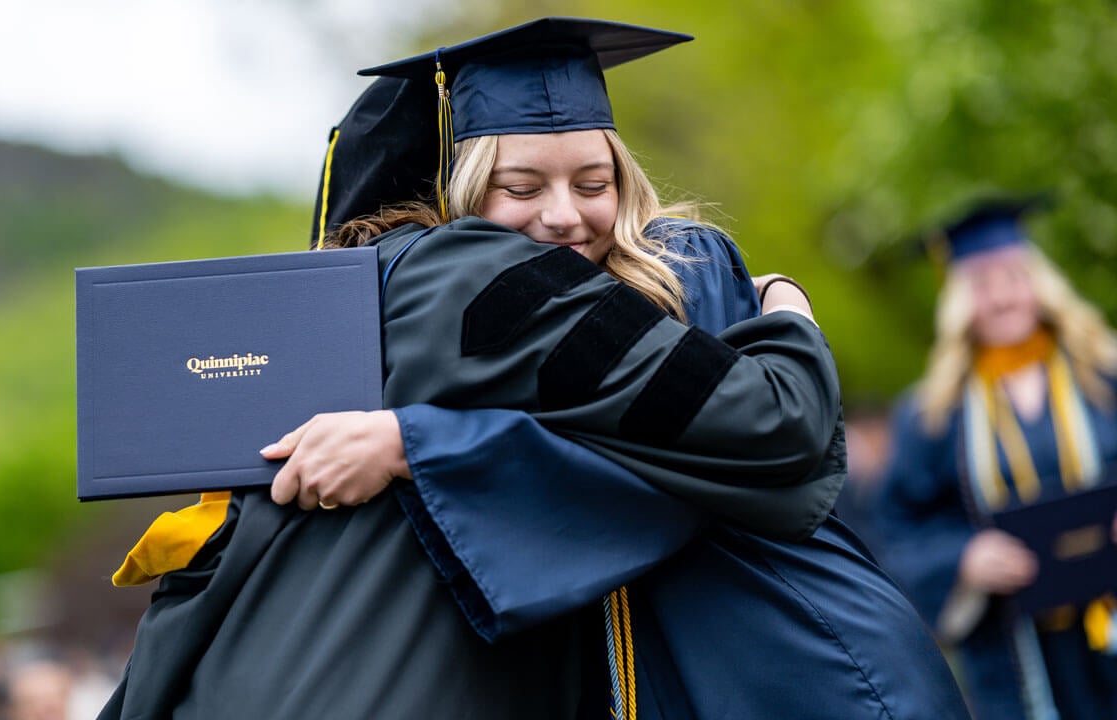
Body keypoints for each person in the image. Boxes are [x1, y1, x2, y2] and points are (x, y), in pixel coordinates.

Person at [100, 18, 967, 719]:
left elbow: (697, 462)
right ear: (463, 195)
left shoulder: (686, 274)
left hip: (795, 674)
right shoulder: (468, 289)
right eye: (522, 188)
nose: (564, 216)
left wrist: (785, 308)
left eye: (594, 183)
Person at [874, 196, 1117, 720]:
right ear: (959, 301)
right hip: (1013, 648)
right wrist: (963, 558)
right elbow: (896, 529)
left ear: (1039, 282)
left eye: (1013, 276)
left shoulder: (1104, 375)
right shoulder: (932, 415)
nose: (1002, 298)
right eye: (982, 284)